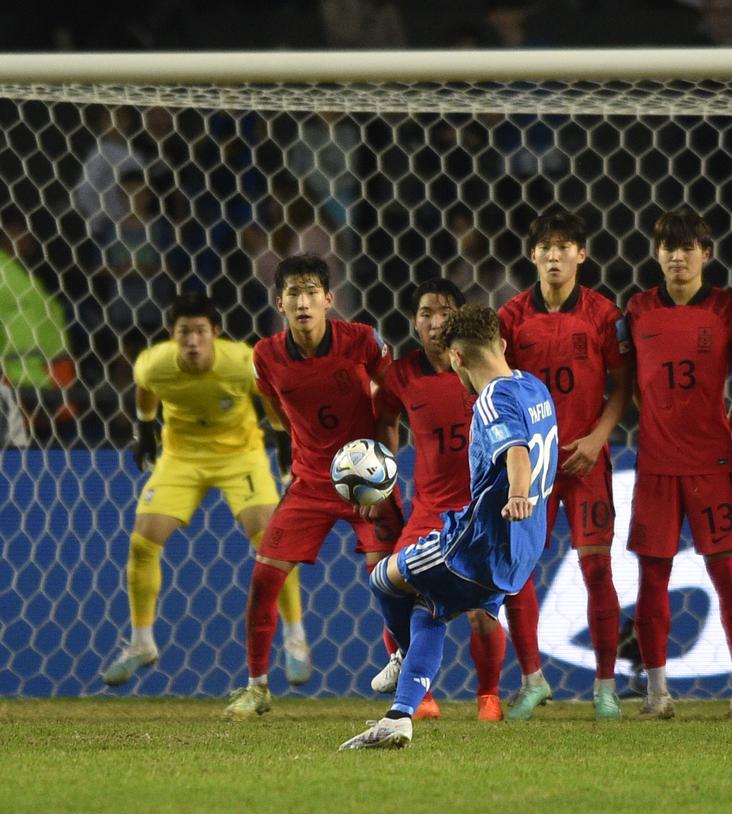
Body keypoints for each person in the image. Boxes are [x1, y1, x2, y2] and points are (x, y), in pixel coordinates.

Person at [339, 304, 557, 749]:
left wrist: (516, 494)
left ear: (456, 358)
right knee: (430, 610)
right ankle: (400, 716)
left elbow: (516, 450)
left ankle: (401, 657)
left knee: (386, 578)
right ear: (502, 343)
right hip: (523, 548)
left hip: (476, 543)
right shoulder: (534, 387)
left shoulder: (492, 398)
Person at [99, 291, 311, 687]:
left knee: (273, 542)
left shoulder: (241, 362)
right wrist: (145, 425)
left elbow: (268, 396)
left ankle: (296, 639)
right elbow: (145, 385)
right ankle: (141, 642)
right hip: (181, 457)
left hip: (240, 456)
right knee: (143, 541)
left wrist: (282, 440)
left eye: (200, 332)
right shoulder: (155, 363)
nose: (192, 341)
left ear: (215, 332)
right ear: (171, 335)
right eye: (184, 333)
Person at [224, 253, 395, 719]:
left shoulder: (360, 340)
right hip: (310, 485)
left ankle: (413, 685)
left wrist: (381, 470)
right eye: (294, 293)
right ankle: (257, 687)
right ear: (280, 302)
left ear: (329, 299)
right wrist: (297, 452)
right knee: (263, 580)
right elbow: (275, 408)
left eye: (312, 292)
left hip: (368, 485)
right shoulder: (266, 356)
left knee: (391, 583)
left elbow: (393, 397)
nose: (304, 302)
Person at [496, 210, 633, 721]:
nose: (555, 256)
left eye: (565, 247)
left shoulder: (603, 315)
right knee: (516, 572)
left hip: (585, 460)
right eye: (545, 248)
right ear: (533, 256)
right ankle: (533, 680)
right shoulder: (510, 318)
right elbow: (499, 389)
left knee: (596, 568)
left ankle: (605, 688)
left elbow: (623, 386)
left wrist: (599, 436)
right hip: (531, 468)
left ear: (582, 254)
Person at [625, 209, 732, 719]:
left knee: (726, 574)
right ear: (657, 254)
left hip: (710, 462)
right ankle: (658, 695)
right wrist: (658, 418)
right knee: (651, 578)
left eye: (687, 247)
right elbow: (634, 384)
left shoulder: (726, 307)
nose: (677, 256)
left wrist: (727, 424)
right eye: (668, 247)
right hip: (656, 466)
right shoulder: (638, 309)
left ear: (707, 253)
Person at [370, 279, 508, 723]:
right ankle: (418, 691)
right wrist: (383, 473)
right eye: (425, 313)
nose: (434, 322)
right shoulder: (401, 375)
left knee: (482, 615)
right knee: (402, 589)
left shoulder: (480, 368)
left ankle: (489, 695)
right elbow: (384, 417)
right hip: (429, 509)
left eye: (444, 312)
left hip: (480, 506)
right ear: (414, 321)